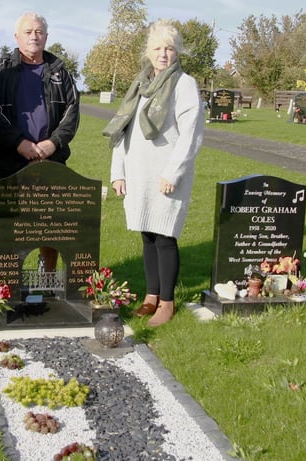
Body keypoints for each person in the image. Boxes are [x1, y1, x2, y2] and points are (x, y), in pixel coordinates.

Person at [103, 20, 204, 327]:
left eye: (169, 48)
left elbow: (191, 135)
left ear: (177, 52)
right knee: (147, 235)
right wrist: (118, 172)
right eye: (158, 48)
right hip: (138, 173)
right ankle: (150, 296)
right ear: (148, 52)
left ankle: (167, 302)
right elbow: (124, 129)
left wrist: (172, 172)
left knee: (164, 236)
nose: (163, 54)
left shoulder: (184, 84)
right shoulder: (140, 84)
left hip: (165, 175)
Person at [0, 11, 79, 273]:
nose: (34, 36)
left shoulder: (61, 72)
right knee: (8, 229)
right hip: (9, 163)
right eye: (28, 31)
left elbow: (72, 113)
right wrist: (19, 143)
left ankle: (45, 278)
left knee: (51, 227)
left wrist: (53, 143)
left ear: (46, 36)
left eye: (39, 32)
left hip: (51, 162)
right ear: (17, 36)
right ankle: (5, 285)